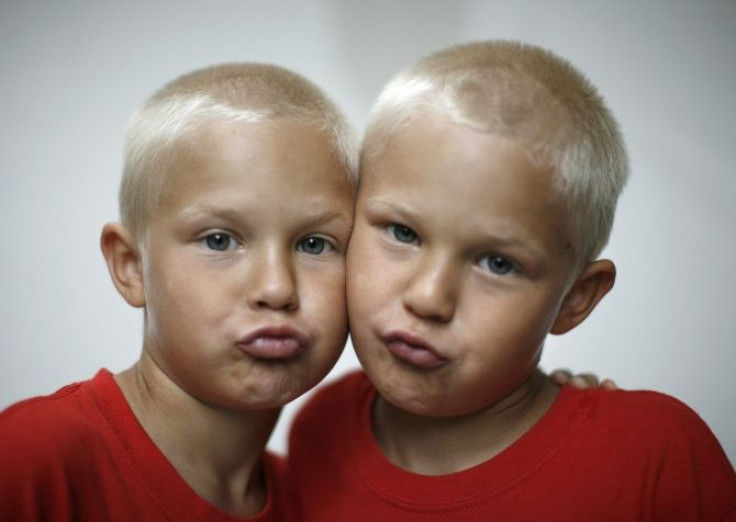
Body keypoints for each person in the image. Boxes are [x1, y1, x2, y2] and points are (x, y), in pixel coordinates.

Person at [288, 40, 736, 521]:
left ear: (575, 299)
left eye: (496, 263)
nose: (428, 297)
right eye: (404, 233)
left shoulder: (655, 454)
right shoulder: (320, 426)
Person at [0, 62, 359, 521]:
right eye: (219, 240)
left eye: (314, 244)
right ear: (131, 267)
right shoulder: (33, 459)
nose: (276, 288)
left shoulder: (319, 504)